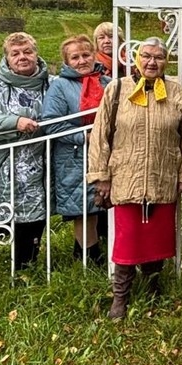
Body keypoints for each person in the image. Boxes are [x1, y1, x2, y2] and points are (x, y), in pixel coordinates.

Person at [86, 38, 182, 319]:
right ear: (136, 58)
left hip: (163, 177)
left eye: (158, 57)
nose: (152, 62)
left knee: (157, 238)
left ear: (166, 62)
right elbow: (100, 135)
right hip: (126, 178)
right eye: (146, 56)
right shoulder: (117, 89)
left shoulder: (175, 91)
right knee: (128, 240)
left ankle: (153, 287)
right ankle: (120, 298)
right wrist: (101, 175)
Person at [0, 32, 52, 269]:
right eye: (15, 53)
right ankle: (21, 263)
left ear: (36, 54)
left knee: (39, 208)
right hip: (7, 161)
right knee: (13, 208)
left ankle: (29, 262)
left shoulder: (52, 83)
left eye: (27, 52)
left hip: (44, 156)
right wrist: (14, 123)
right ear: (7, 58)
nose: (22, 57)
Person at [41, 35, 110, 266]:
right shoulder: (60, 86)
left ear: (94, 55)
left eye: (86, 55)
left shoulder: (107, 83)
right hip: (74, 154)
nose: (82, 61)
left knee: (101, 202)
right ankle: (87, 256)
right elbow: (52, 123)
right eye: (75, 57)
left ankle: (98, 249)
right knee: (82, 207)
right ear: (67, 61)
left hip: (105, 154)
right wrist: (86, 136)